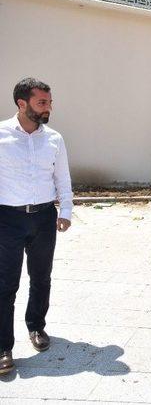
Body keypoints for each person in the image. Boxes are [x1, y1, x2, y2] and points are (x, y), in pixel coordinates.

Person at [0, 78, 73, 376]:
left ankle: (36, 327)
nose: (48, 108)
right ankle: (4, 346)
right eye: (42, 102)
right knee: (6, 284)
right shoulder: (1, 135)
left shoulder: (54, 138)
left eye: (49, 102)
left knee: (41, 278)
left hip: (44, 218)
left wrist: (65, 210)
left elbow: (63, 178)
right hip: (7, 219)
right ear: (22, 103)